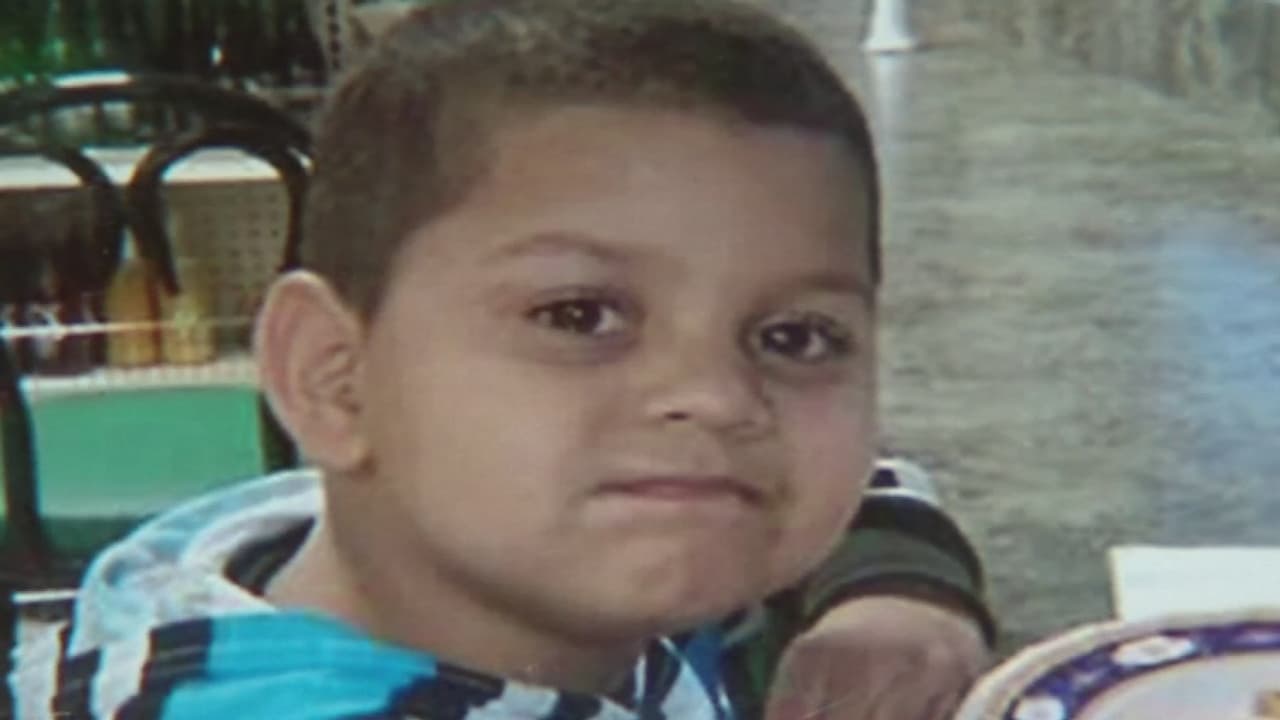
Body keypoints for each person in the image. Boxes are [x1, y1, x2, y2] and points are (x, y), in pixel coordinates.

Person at [7, 1, 993, 718]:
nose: (717, 395)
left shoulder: (315, 534)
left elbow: (862, 487)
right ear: (333, 378)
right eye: (580, 315)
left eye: (795, 337)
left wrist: (895, 593)